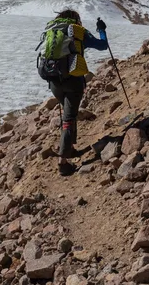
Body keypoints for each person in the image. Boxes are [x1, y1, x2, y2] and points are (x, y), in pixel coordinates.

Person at [47, 10, 108, 176]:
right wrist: (101, 30)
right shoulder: (78, 32)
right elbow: (103, 46)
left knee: (68, 114)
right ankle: (63, 162)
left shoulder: (52, 31)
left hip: (54, 82)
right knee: (69, 117)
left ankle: (70, 148)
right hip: (73, 81)